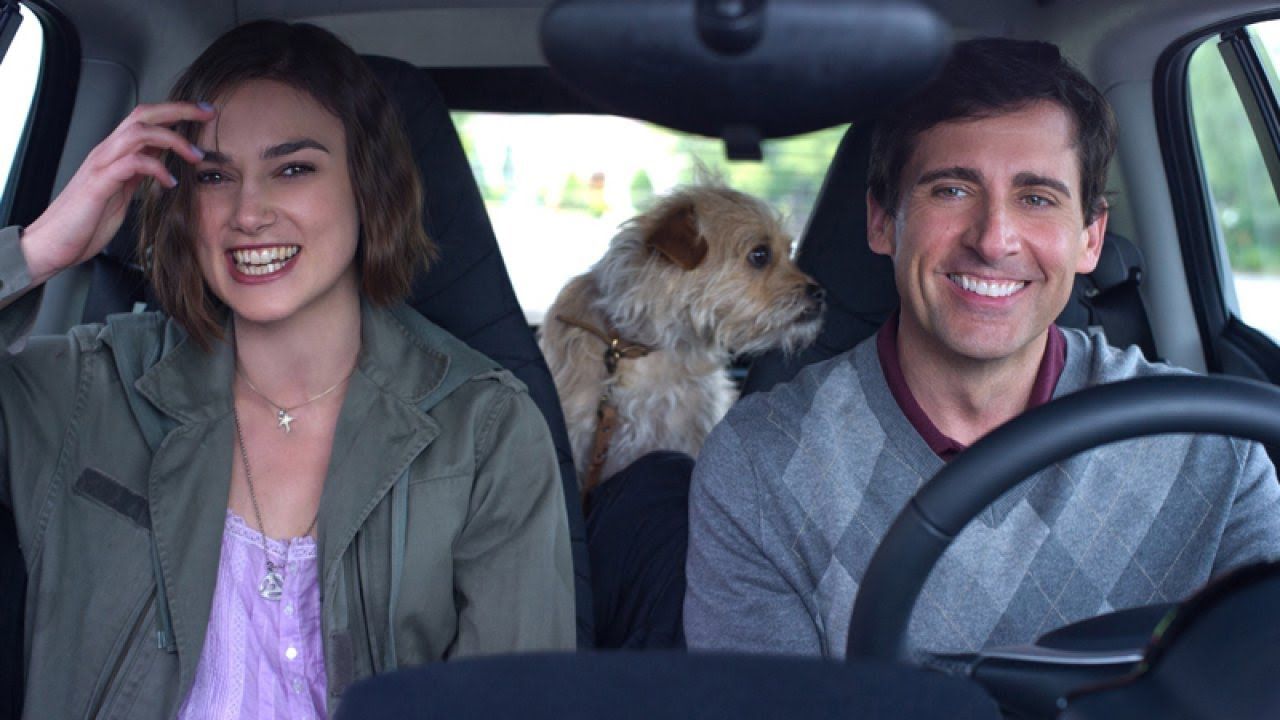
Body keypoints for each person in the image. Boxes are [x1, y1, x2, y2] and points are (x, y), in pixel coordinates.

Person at [0, 20, 574, 718]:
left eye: (293, 168)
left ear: (368, 186)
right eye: (215, 176)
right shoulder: (92, 387)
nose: (249, 213)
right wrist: (38, 250)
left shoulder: (484, 433)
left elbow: (512, 702)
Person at [684, 37, 1280, 659]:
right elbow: (770, 701)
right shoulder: (758, 468)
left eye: (1037, 198)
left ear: (1090, 238)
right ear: (882, 222)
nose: (994, 241)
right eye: (951, 190)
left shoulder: (1214, 449)